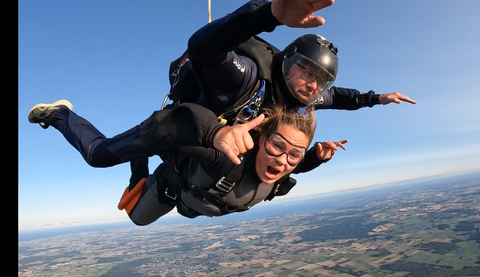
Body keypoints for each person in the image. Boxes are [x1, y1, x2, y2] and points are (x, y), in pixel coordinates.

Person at [28, 100, 347, 225]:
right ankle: (60, 115)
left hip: (195, 200)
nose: (283, 160)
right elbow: (190, 123)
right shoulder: (224, 162)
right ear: (261, 139)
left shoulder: (278, 174)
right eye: (278, 146)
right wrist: (215, 134)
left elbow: (285, 167)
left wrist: (314, 160)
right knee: (137, 216)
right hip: (172, 187)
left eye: (295, 154)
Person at [181, 0, 416, 124]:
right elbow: (204, 50)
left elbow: (336, 97)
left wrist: (374, 98)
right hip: (187, 154)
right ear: (287, 61)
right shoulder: (247, 78)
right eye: (309, 73)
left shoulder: (306, 96)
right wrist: (267, 16)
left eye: (322, 81)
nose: (315, 86)